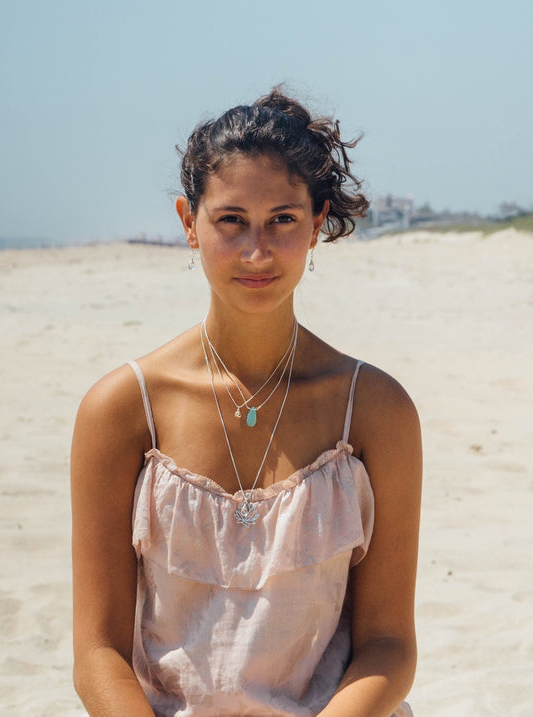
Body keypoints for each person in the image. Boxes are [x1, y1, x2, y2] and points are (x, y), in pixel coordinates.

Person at [70, 88, 422, 716]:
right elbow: (98, 653)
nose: (256, 251)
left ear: (316, 224)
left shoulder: (375, 409)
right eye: (231, 220)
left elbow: (389, 645)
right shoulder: (123, 409)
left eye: (282, 220)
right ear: (189, 222)